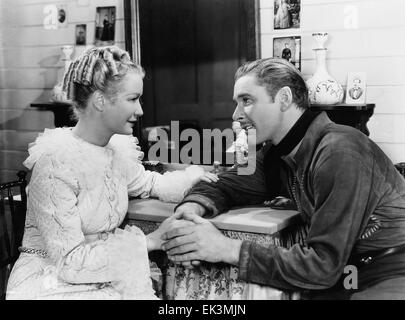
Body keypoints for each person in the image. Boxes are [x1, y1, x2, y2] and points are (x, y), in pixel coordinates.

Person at [162, 58, 405, 299]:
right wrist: (191, 210)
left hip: (388, 271)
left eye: (247, 101)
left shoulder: (339, 150)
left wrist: (225, 248)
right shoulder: (278, 152)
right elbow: (226, 184)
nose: (236, 115)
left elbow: (323, 265)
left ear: (284, 99)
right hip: (347, 273)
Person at [6, 46, 217, 300]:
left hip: (102, 271)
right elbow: (70, 263)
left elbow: (147, 183)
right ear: (100, 101)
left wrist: (194, 178)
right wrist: (151, 241)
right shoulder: (55, 163)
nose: (140, 110)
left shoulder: (116, 149)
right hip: (51, 282)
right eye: (132, 99)